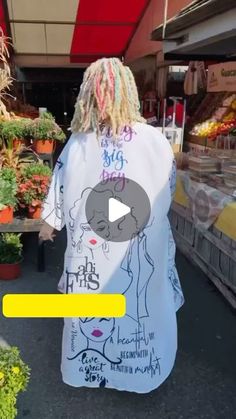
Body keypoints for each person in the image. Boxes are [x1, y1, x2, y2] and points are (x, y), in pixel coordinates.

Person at [39, 58, 184, 393]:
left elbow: (59, 195)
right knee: (140, 306)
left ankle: (88, 368)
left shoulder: (78, 143)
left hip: (91, 254)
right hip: (141, 245)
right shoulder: (155, 140)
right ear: (128, 93)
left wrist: (50, 225)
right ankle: (140, 370)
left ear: (87, 95)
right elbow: (168, 189)